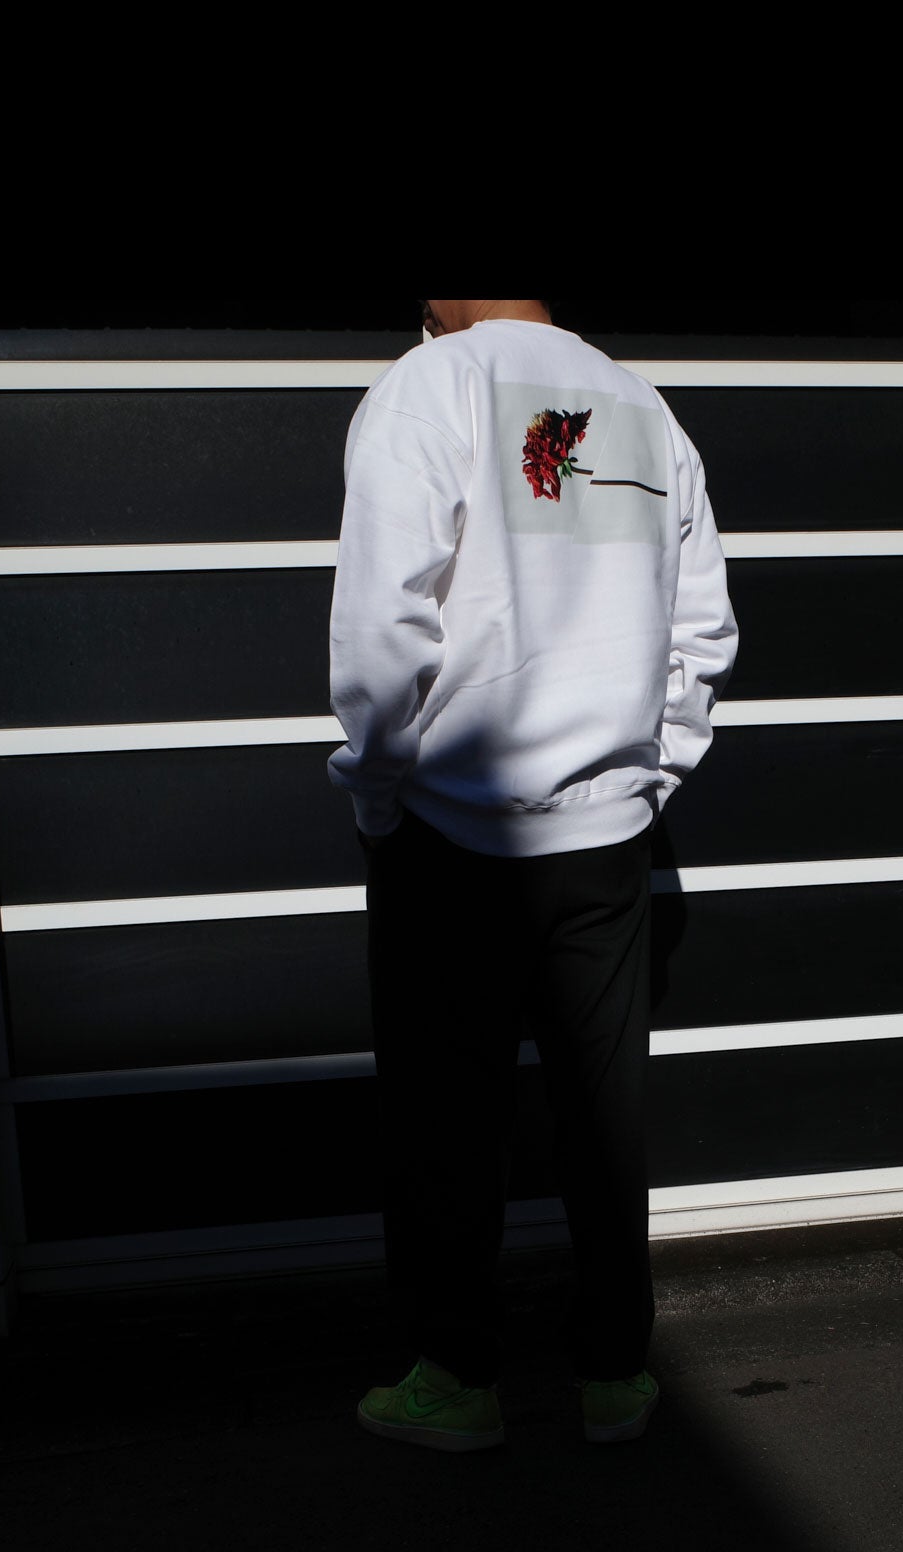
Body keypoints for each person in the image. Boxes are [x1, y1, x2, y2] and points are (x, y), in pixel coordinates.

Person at [329, 300, 738, 1451]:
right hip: (605, 834)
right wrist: (646, 779)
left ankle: (457, 1380)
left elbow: (381, 627)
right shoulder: (642, 407)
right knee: (601, 1110)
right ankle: (613, 1374)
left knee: (445, 1114)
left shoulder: (430, 387)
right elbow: (702, 631)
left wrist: (377, 797)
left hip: (451, 833)